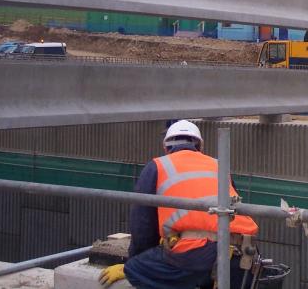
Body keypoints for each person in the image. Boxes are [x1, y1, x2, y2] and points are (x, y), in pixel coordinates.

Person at [99, 120, 259, 289]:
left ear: (166, 148)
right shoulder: (219, 165)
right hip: (244, 255)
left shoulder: (158, 166)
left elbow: (143, 226)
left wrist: (137, 261)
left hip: (199, 255)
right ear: (199, 147)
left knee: (136, 270)